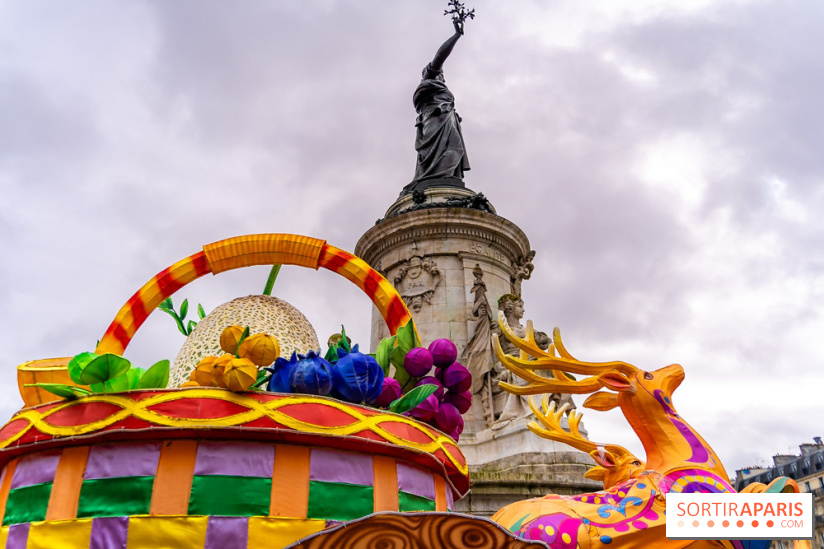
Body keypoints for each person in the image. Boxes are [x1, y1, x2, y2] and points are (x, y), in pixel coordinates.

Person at [402, 21, 470, 195]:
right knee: (453, 149)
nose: (441, 75)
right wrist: (456, 35)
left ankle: (443, 176)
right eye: (440, 73)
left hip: (445, 118)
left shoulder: (437, 86)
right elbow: (440, 56)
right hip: (435, 117)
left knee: (454, 149)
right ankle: (437, 176)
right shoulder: (429, 78)